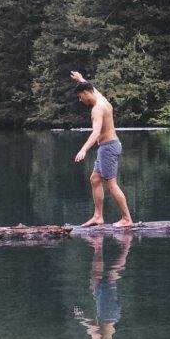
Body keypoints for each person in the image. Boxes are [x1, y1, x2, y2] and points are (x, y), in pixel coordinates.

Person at [71, 70, 134, 227]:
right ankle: (98, 217)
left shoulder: (97, 109)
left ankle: (127, 219)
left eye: (80, 96)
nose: (80, 100)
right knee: (95, 179)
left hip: (108, 148)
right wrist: (81, 79)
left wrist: (84, 149)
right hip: (107, 147)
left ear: (86, 93)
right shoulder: (101, 99)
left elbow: (96, 132)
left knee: (111, 185)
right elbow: (92, 88)